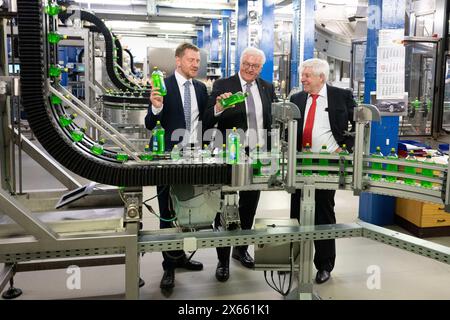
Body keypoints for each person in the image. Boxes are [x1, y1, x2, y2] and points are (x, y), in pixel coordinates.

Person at [203, 47, 277, 282]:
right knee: (225, 206)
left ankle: (241, 249)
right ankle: (222, 260)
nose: (249, 69)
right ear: (240, 62)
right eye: (246, 63)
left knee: (249, 204)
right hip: (230, 154)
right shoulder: (223, 86)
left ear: (261, 68)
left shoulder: (267, 87)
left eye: (255, 66)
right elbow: (208, 117)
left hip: (258, 154)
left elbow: (271, 118)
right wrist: (219, 107)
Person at [144, 43, 208, 292]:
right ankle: (168, 267)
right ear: (178, 61)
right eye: (191, 60)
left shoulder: (201, 89)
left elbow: (205, 121)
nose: (196, 64)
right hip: (167, 158)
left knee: (186, 210)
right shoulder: (163, 86)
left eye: (198, 61)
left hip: (193, 157)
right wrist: (156, 105)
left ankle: (180, 256)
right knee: (167, 213)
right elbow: (151, 123)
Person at [289, 58, 356, 284]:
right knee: (297, 210)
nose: (302, 79)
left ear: (321, 77)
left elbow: (358, 126)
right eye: (302, 75)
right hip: (299, 163)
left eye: (307, 76)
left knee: (323, 213)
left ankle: (324, 264)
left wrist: (344, 148)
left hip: (327, 165)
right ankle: (294, 259)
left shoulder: (341, 96)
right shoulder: (297, 98)